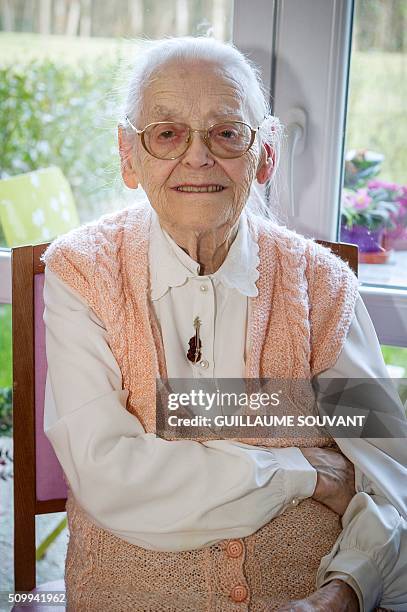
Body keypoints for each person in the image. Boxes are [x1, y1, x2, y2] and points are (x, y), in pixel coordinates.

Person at [42, 37, 407, 611]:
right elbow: (109, 474)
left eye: (227, 132)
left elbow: (390, 484)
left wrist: (343, 593)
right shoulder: (83, 272)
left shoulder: (323, 286)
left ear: (265, 154)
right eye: (166, 133)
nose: (197, 157)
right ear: (127, 155)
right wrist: (301, 469)